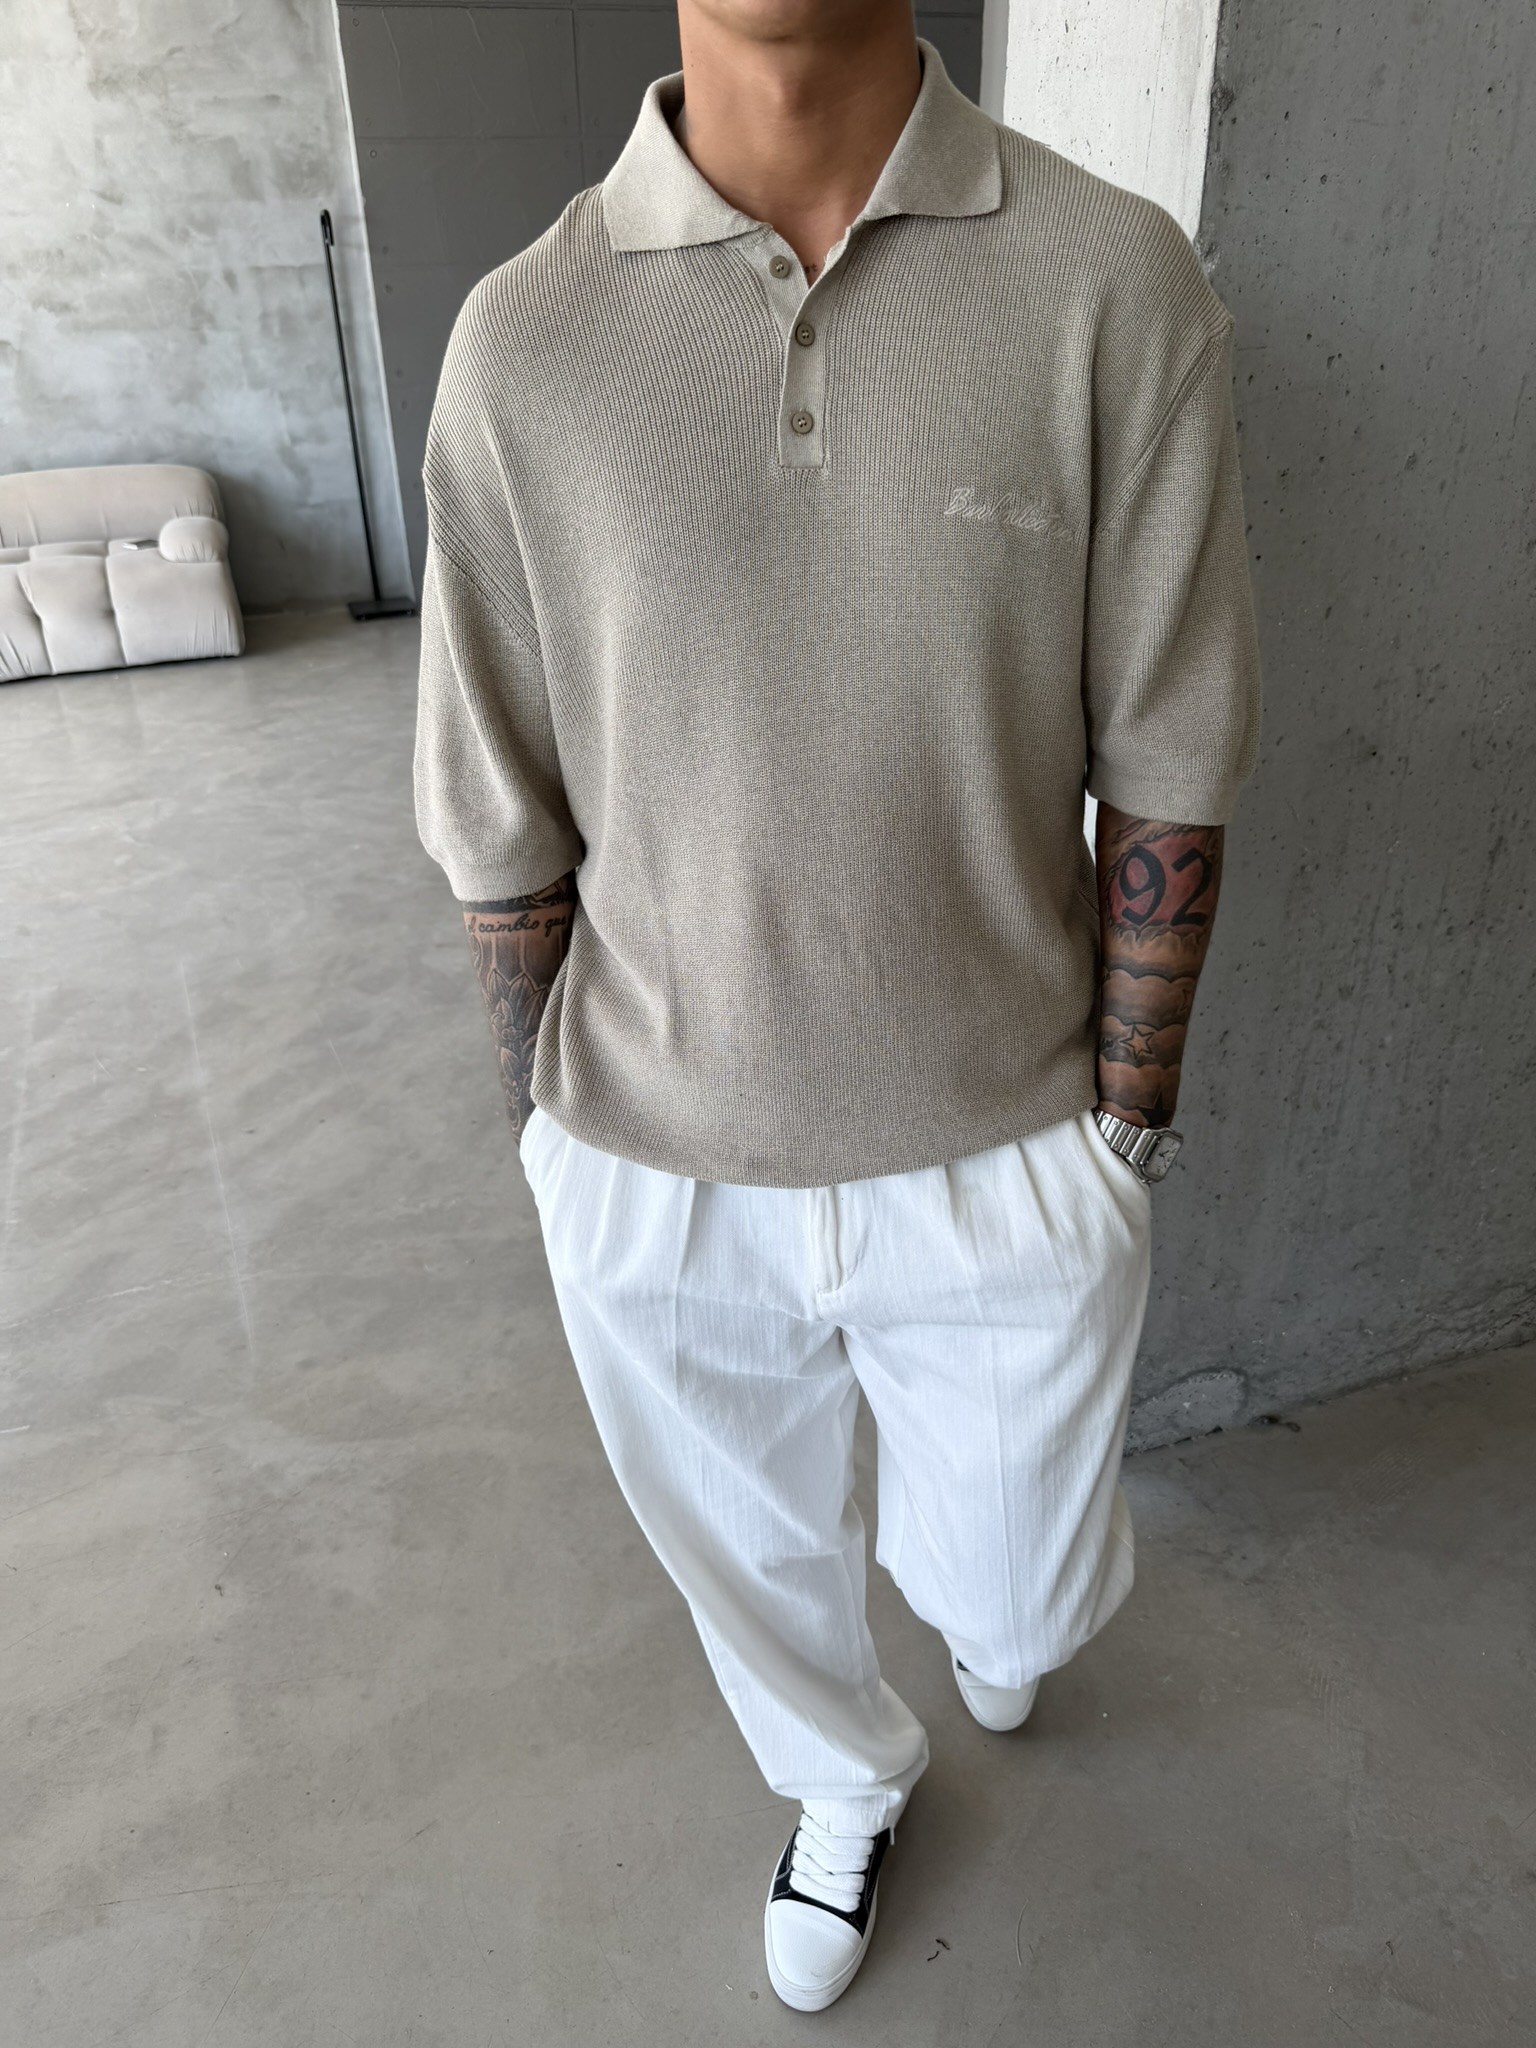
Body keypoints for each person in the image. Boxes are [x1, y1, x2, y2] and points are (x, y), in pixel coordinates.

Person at [414, 0, 1261, 2013]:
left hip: (1010, 1130)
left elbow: (1171, 749)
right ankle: (839, 1775)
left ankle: (980, 1614)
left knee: (1023, 1600)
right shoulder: (524, 343)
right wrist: (550, 1143)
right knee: (755, 1563)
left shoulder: (1110, 278)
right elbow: (497, 806)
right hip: (650, 1147)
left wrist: (1124, 1134)